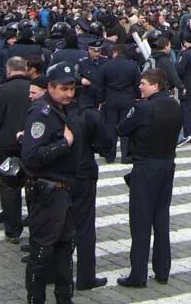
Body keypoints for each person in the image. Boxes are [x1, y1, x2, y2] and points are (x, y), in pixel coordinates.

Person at [116, 68, 183, 288]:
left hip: (146, 165)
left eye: (144, 83)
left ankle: (138, 273)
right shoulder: (174, 105)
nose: (140, 86)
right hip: (167, 164)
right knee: (161, 219)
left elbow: (122, 129)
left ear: (155, 85)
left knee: (141, 221)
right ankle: (163, 270)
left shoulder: (142, 108)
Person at [21, 61, 80, 304]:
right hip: (47, 193)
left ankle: (64, 298)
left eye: (72, 88)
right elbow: (32, 157)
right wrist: (63, 144)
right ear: (50, 87)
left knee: (65, 249)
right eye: (63, 89)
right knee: (42, 253)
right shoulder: (41, 113)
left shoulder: (61, 110)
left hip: (64, 192)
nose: (69, 94)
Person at [0, 56, 31, 242]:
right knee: (33, 186)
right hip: (31, 146)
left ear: (8, 71)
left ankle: (12, 229)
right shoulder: (34, 89)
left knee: (9, 188)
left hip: (6, 146)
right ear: (25, 69)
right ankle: (34, 223)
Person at [71, 92, 112, 292]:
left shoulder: (51, 112)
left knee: (57, 225)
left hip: (57, 175)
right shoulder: (90, 114)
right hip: (84, 174)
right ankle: (85, 276)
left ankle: (54, 272)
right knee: (85, 227)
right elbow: (107, 143)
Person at [97, 44, 141, 160]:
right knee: (126, 126)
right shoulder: (133, 66)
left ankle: (110, 155)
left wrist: (101, 100)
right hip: (127, 98)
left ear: (115, 52)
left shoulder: (106, 66)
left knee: (111, 128)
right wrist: (138, 97)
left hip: (111, 99)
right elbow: (137, 84)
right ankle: (125, 155)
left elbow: (100, 85)